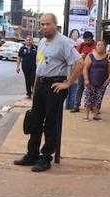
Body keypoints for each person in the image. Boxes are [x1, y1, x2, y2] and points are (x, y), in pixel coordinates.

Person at [14, 14, 82, 173]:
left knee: (51, 124)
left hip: (55, 86)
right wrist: (35, 87)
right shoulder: (43, 42)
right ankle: (32, 155)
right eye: (42, 24)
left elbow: (79, 63)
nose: (44, 27)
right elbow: (41, 65)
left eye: (47, 24)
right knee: (35, 121)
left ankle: (45, 158)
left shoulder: (64, 42)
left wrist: (68, 83)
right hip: (40, 85)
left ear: (55, 25)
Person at [82, 41, 110, 121]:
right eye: (98, 45)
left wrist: (108, 79)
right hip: (90, 81)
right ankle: (86, 116)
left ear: (105, 47)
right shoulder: (90, 55)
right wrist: (86, 79)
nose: (100, 46)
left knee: (98, 99)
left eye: (102, 45)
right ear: (95, 46)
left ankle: (95, 115)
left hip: (102, 82)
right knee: (88, 98)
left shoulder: (108, 57)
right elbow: (85, 68)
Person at [69, 31, 97, 113]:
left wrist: (89, 55)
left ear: (91, 39)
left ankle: (91, 106)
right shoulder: (81, 45)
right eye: (85, 40)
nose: (86, 42)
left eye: (88, 40)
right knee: (80, 87)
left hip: (93, 70)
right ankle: (76, 106)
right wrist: (81, 55)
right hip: (82, 70)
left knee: (92, 88)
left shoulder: (96, 45)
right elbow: (76, 55)